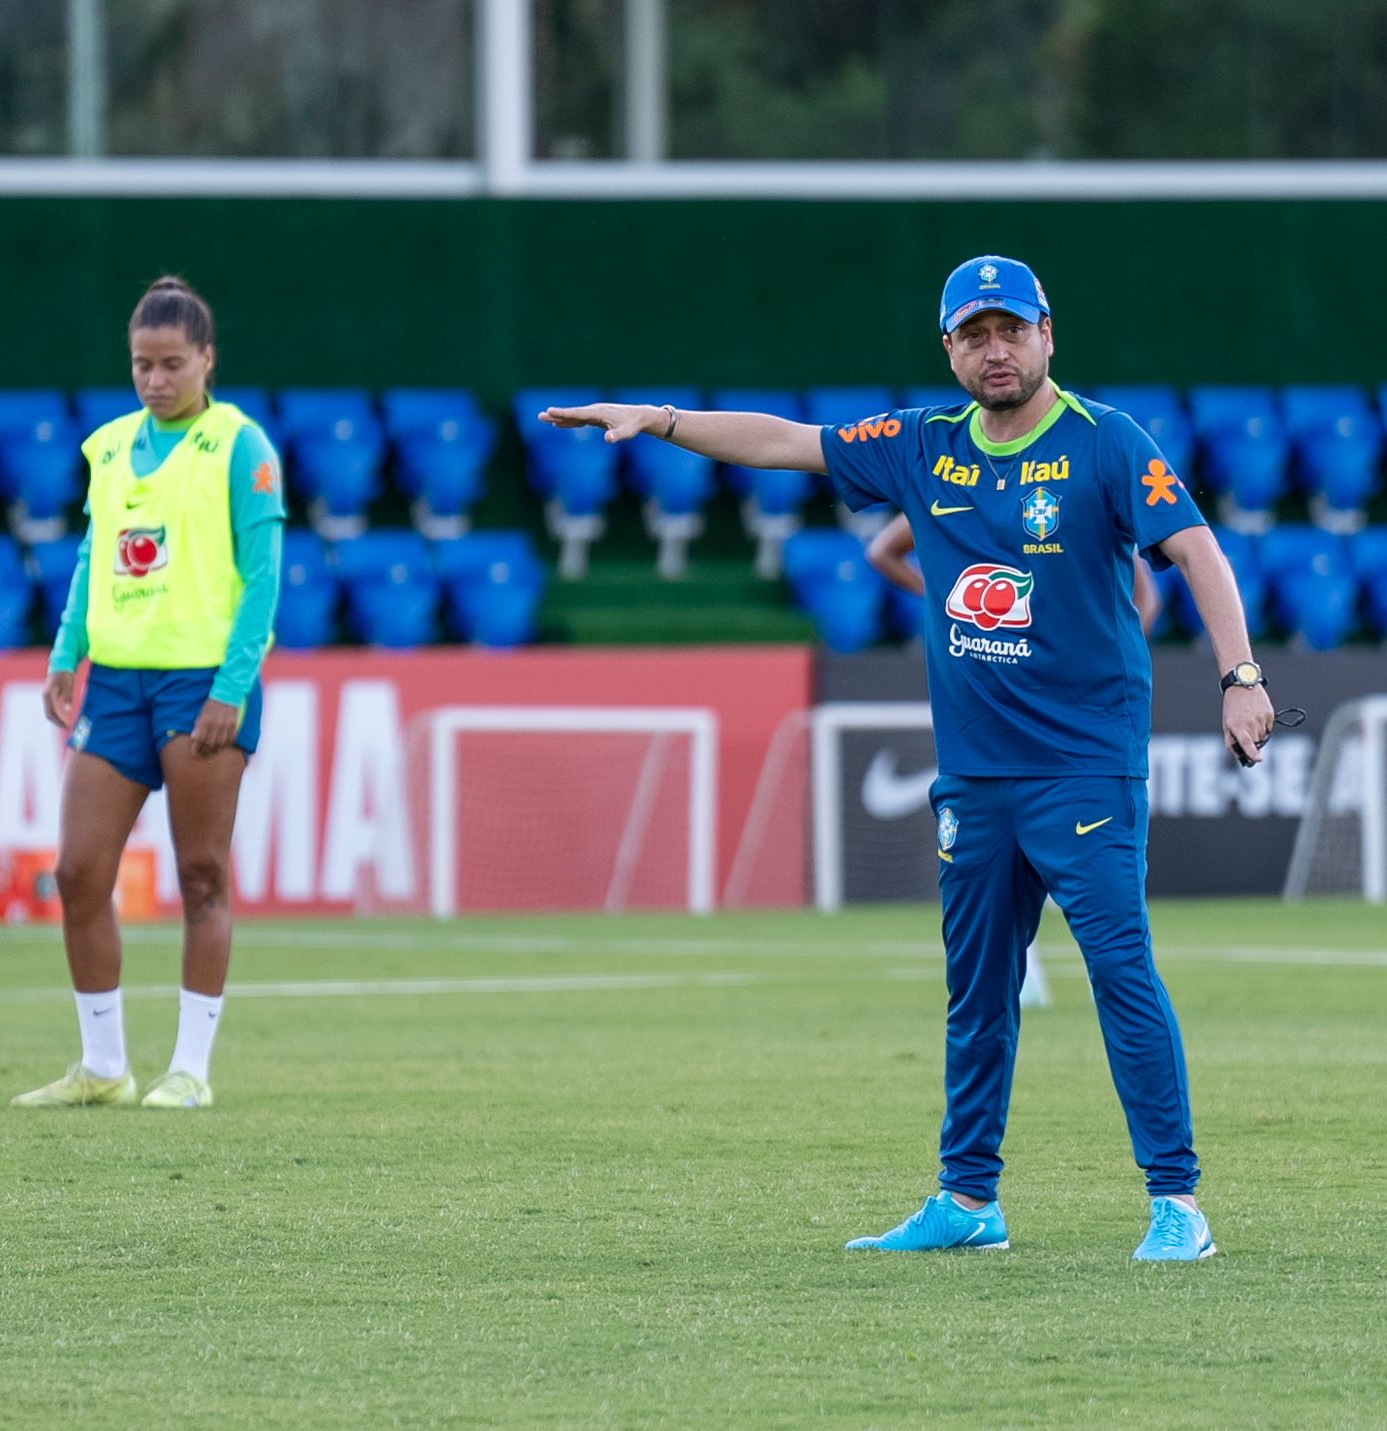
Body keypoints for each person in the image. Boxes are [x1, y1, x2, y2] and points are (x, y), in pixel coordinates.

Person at [541, 255, 1274, 1260]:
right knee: (976, 991)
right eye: (974, 335)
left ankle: (1175, 1202)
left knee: (1119, 973)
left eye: (1010, 330)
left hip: (1085, 769)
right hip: (974, 776)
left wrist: (1239, 678)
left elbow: (1195, 550)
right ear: (948, 350)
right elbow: (784, 442)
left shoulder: (1107, 443)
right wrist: (661, 419)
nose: (995, 350)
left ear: (1047, 334)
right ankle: (967, 1200)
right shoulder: (922, 445)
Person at [13, 276, 284, 1110]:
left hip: (202, 681)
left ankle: (191, 1071)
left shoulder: (242, 447)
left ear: (207, 359)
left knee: (200, 872)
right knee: (78, 870)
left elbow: (264, 576)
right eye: (142, 365)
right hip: (119, 684)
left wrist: (231, 689)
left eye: (172, 364)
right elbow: (97, 557)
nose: (156, 380)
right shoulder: (108, 447)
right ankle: (103, 1066)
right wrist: (68, 653)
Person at [866, 514, 1162, 1010]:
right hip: (1006, 707)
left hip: (1056, 717)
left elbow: (1145, 594)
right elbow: (882, 552)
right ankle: (1034, 969)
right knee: (1008, 853)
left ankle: (1080, 972)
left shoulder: (1067, 498)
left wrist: (1117, 652)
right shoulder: (949, 479)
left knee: (1054, 861)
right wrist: (945, 602)